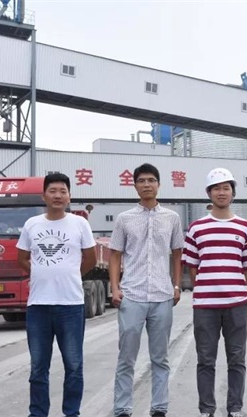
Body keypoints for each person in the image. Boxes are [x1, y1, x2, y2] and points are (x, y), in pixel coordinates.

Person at [16, 172, 97, 417]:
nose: (58, 195)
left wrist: (70, 274)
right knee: (38, 368)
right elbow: (22, 258)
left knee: (73, 365)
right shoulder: (32, 224)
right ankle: (38, 413)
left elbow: (90, 259)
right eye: (52, 191)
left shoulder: (79, 224)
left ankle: (71, 413)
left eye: (63, 191)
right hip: (38, 306)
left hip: (70, 305)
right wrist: (42, 272)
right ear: (44, 196)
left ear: (69, 196)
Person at [182, 168, 247, 417]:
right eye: (217, 188)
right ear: (209, 193)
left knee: (237, 358)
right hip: (205, 305)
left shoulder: (245, 227)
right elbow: (193, 267)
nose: (222, 192)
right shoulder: (196, 228)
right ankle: (207, 409)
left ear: (233, 193)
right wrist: (207, 289)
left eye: (226, 188)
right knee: (205, 359)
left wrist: (233, 288)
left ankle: (235, 408)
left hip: (237, 304)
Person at [109, 163, 184, 417]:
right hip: (132, 295)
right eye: (141, 181)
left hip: (162, 296)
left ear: (159, 184)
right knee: (126, 357)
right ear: (135, 186)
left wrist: (176, 285)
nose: (147, 185)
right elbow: (115, 255)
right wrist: (115, 288)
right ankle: (122, 409)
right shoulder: (124, 219)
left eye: (151, 180)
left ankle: (159, 408)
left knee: (160, 357)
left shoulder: (172, 218)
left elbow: (177, 254)